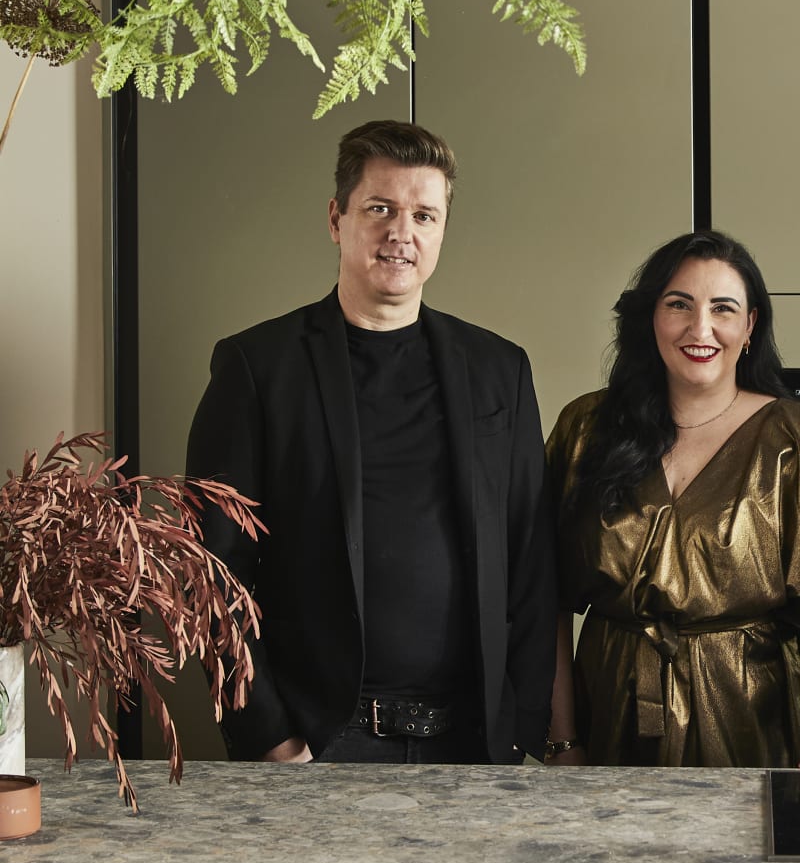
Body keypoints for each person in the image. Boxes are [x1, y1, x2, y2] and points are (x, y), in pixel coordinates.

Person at [186, 119, 556, 765]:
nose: (401, 233)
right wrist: (272, 737)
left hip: (475, 743)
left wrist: (525, 724)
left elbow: (529, 559)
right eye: (380, 208)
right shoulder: (259, 367)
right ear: (337, 217)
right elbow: (213, 574)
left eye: (424, 215)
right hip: (321, 742)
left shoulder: (500, 368)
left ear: (442, 228)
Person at [546, 229, 800, 767]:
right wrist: (563, 740)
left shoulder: (789, 437)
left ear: (750, 325)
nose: (699, 328)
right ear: (651, 318)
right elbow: (544, 603)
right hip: (607, 703)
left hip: (745, 711)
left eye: (723, 308)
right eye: (678, 304)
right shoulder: (586, 427)